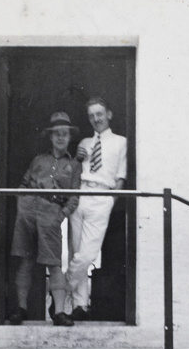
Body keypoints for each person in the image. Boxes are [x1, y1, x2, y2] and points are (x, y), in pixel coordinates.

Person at [10, 112, 82, 326]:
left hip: (51, 214)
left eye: (65, 134)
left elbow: (75, 198)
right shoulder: (38, 160)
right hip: (28, 212)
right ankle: (21, 309)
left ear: (69, 138)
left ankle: (59, 312)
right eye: (56, 134)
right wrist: (22, 204)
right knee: (25, 261)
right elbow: (23, 185)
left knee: (54, 264)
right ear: (50, 137)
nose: (60, 138)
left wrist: (61, 215)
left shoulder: (74, 166)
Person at [66, 97, 127, 320]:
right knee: (76, 249)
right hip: (80, 194)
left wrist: (111, 200)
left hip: (102, 195)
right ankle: (79, 305)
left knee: (87, 254)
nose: (95, 119)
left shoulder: (122, 142)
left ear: (109, 114)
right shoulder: (84, 142)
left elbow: (121, 176)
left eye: (99, 114)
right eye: (91, 116)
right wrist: (76, 158)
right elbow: (73, 170)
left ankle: (61, 289)